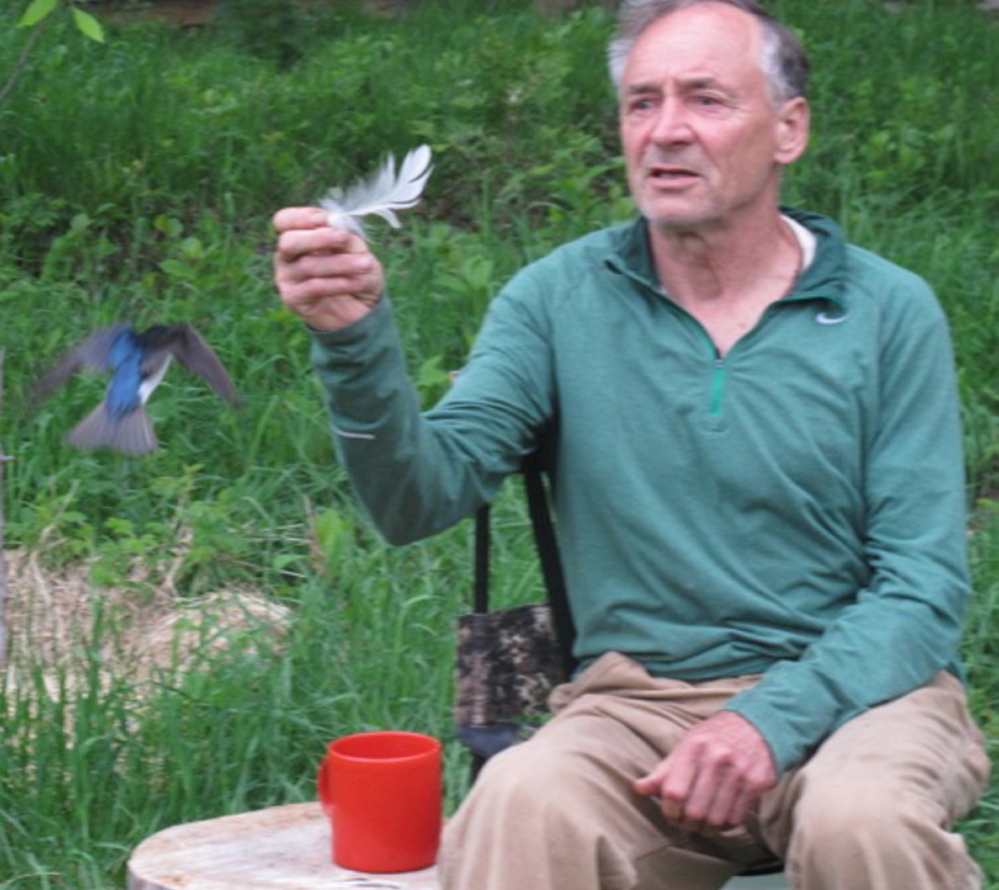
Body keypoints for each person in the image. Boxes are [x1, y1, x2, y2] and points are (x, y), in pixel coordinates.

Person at [272, 1, 991, 887]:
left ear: (788, 128)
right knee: (521, 801)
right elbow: (416, 501)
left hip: (862, 699)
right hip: (636, 705)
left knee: (860, 821)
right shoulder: (555, 300)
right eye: (641, 103)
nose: (666, 132)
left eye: (705, 100)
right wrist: (353, 343)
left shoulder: (886, 312)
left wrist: (769, 721)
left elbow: (921, 589)